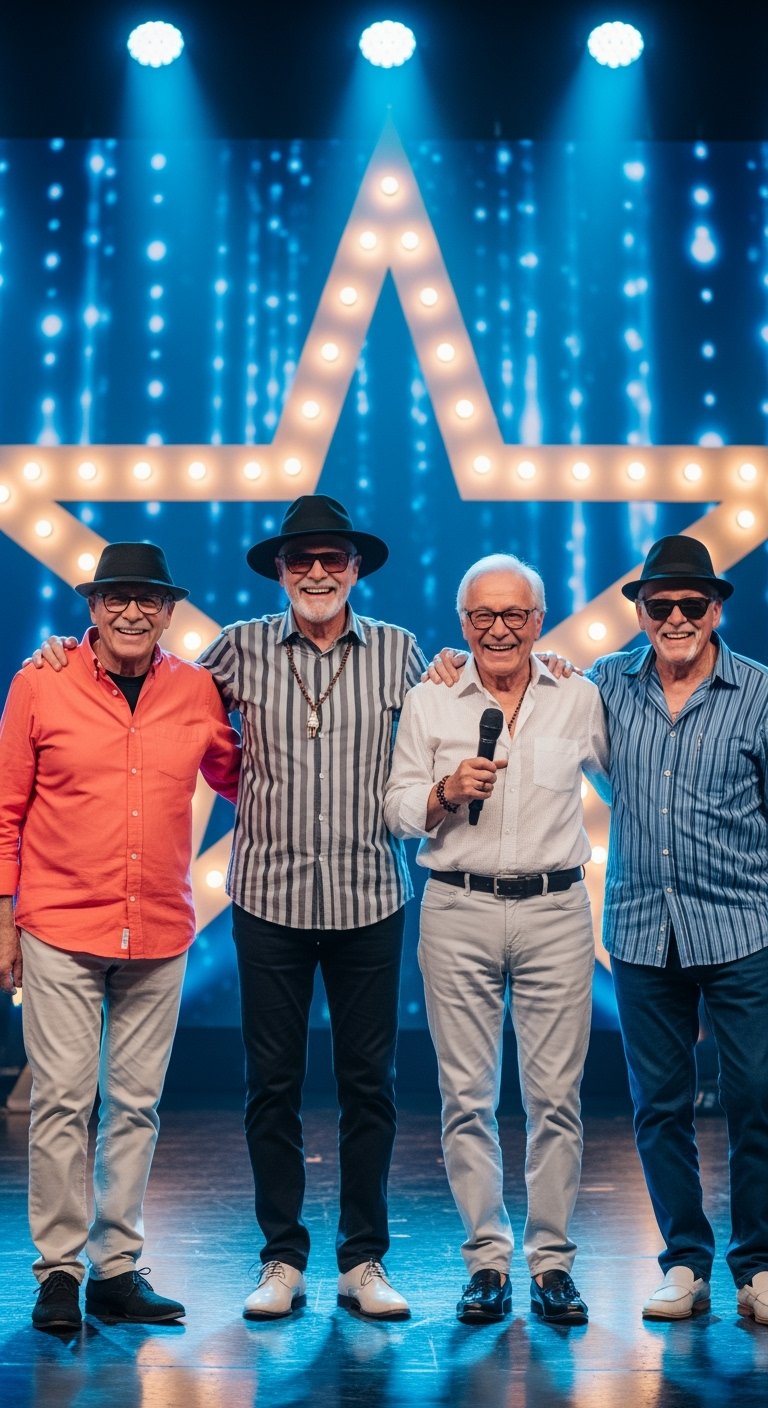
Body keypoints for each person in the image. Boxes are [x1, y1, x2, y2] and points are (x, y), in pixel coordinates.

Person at [0, 543, 241, 1331]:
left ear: (167, 612)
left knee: (136, 1107)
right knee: (63, 1103)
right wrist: (3, 923)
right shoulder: (40, 682)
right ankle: (59, 1273)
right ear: (92, 609)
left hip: (160, 929)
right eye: (116, 599)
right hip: (60, 927)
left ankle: (115, 1270)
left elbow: (242, 777)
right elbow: (5, 810)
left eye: (147, 600)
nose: (132, 613)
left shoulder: (196, 689)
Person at [195, 494, 424, 1321]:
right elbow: (155, 692)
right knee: (272, 1086)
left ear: (355, 569)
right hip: (269, 896)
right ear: (281, 571)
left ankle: (362, 1261)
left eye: (333, 558)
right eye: (302, 560)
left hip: (369, 894)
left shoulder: (400, 651)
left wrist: (552, 671)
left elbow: (463, 708)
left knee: (370, 1087)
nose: (318, 572)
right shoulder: (237, 648)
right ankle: (282, 1260)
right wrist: (68, 654)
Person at [384, 553, 609, 1325]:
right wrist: (445, 792)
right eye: (483, 615)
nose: (500, 629)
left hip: (555, 910)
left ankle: (551, 1265)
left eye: (515, 614)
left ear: (539, 621)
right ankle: (486, 1262)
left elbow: (629, 779)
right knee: (466, 1099)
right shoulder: (432, 698)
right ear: (463, 623)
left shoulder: (579, 695)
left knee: (556, 1100)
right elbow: (396, 808)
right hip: (458, 907)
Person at [590, 535, 768, 1324]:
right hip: (641, 930)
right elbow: (528, 690)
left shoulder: (759, 694)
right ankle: (685, 1263)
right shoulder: (605, 684)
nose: (675, 618)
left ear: (715, 609)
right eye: (659, 605)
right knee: (659, 1106)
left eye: (691, 604)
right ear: (640, 613)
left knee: (756, 1097)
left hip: (740, 926)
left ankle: (758, 1265)